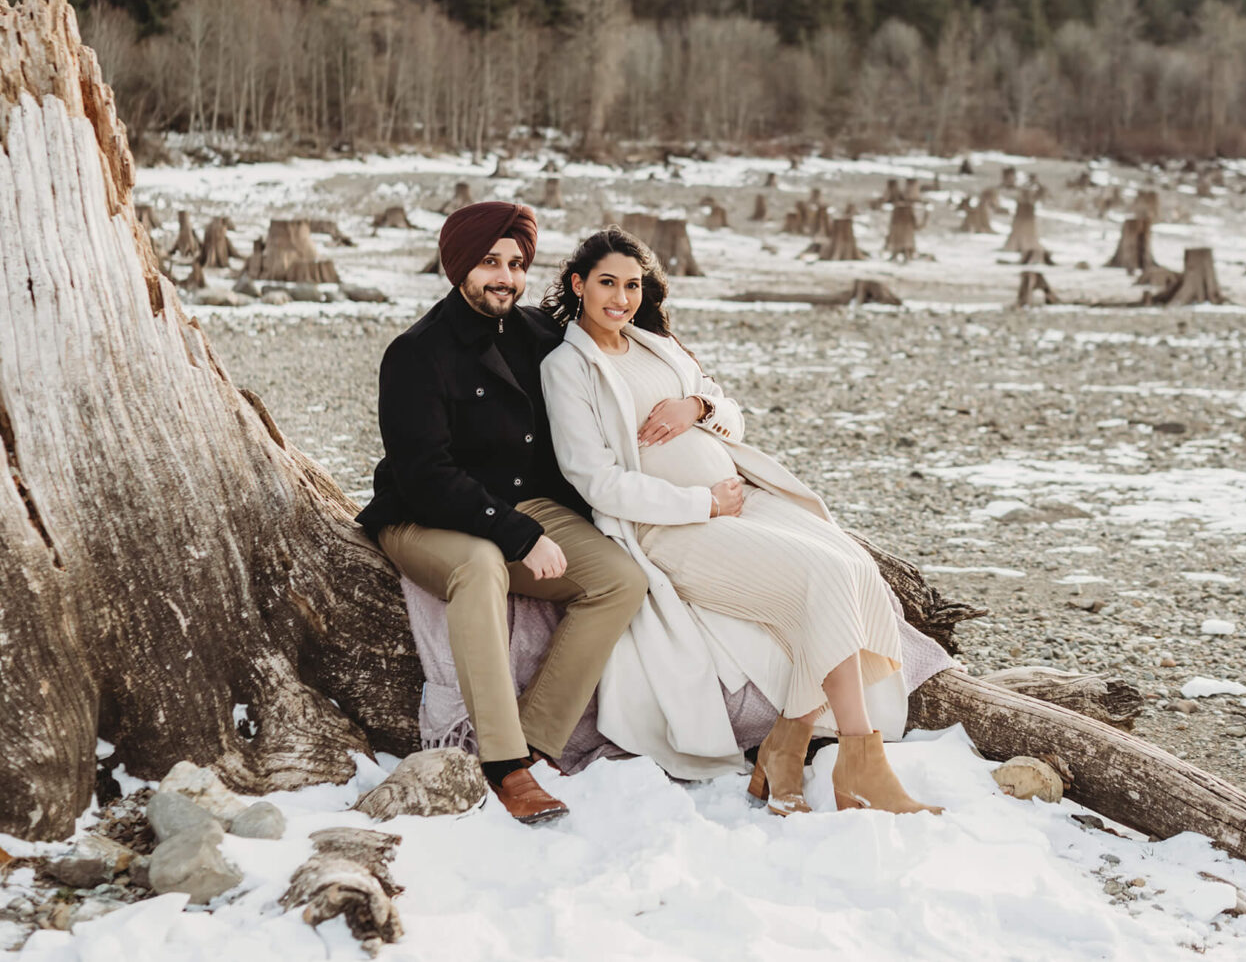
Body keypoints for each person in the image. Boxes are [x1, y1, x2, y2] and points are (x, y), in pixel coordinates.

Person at [538, 227, 940, 816]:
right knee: (821, 574)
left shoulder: (657, 345)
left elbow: (732, 414)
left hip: (742, 497)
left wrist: (696, 406)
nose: (620, 298)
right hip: (672, 528)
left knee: (852, 561)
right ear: (578, 285)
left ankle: (788, 743)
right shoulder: (568, 368)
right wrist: (703, 503)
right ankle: (861, 760)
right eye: (606, 284)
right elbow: (595, 481)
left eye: (631, 285)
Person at [357, 203, 648, 823]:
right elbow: (427, 475)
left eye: (516, 265)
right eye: (490, 263)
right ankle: (502, 764)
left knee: (621, 580)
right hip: (423, 516)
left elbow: (636, 350)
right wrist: (519, 534)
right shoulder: (415, 353)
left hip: (523, 501)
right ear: (460, 266)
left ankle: (537, 739)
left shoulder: (541, 335)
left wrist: (701, 403)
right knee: (482, 565)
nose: (506, 278)